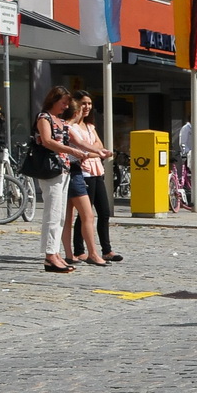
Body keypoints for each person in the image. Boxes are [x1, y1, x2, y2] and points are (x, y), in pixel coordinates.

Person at [32, 87, 95, 274]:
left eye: (67, 103)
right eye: (63, 102)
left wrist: (91, 152)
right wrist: (72, 151)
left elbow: (74, 140)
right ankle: (50, 255)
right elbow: (47, 141)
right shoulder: (44, 118)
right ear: (54, 100)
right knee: (52, 213)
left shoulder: (60, 120)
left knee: (60, 215)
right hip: (50, 169)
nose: (66, 106)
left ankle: (55, 253)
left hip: (64, 169)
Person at [69, 92, 120, 264]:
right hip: (83, 171)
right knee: (85, 214)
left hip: (97, 170)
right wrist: (95, 150)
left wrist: (96, 150)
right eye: (84, 103)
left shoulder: (90, 126)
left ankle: (107, 249)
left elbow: (99, 145)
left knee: (104, 212)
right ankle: (79, 250)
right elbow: (88, 148)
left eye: (90, 103)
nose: (87, 107)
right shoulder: (72, 127)